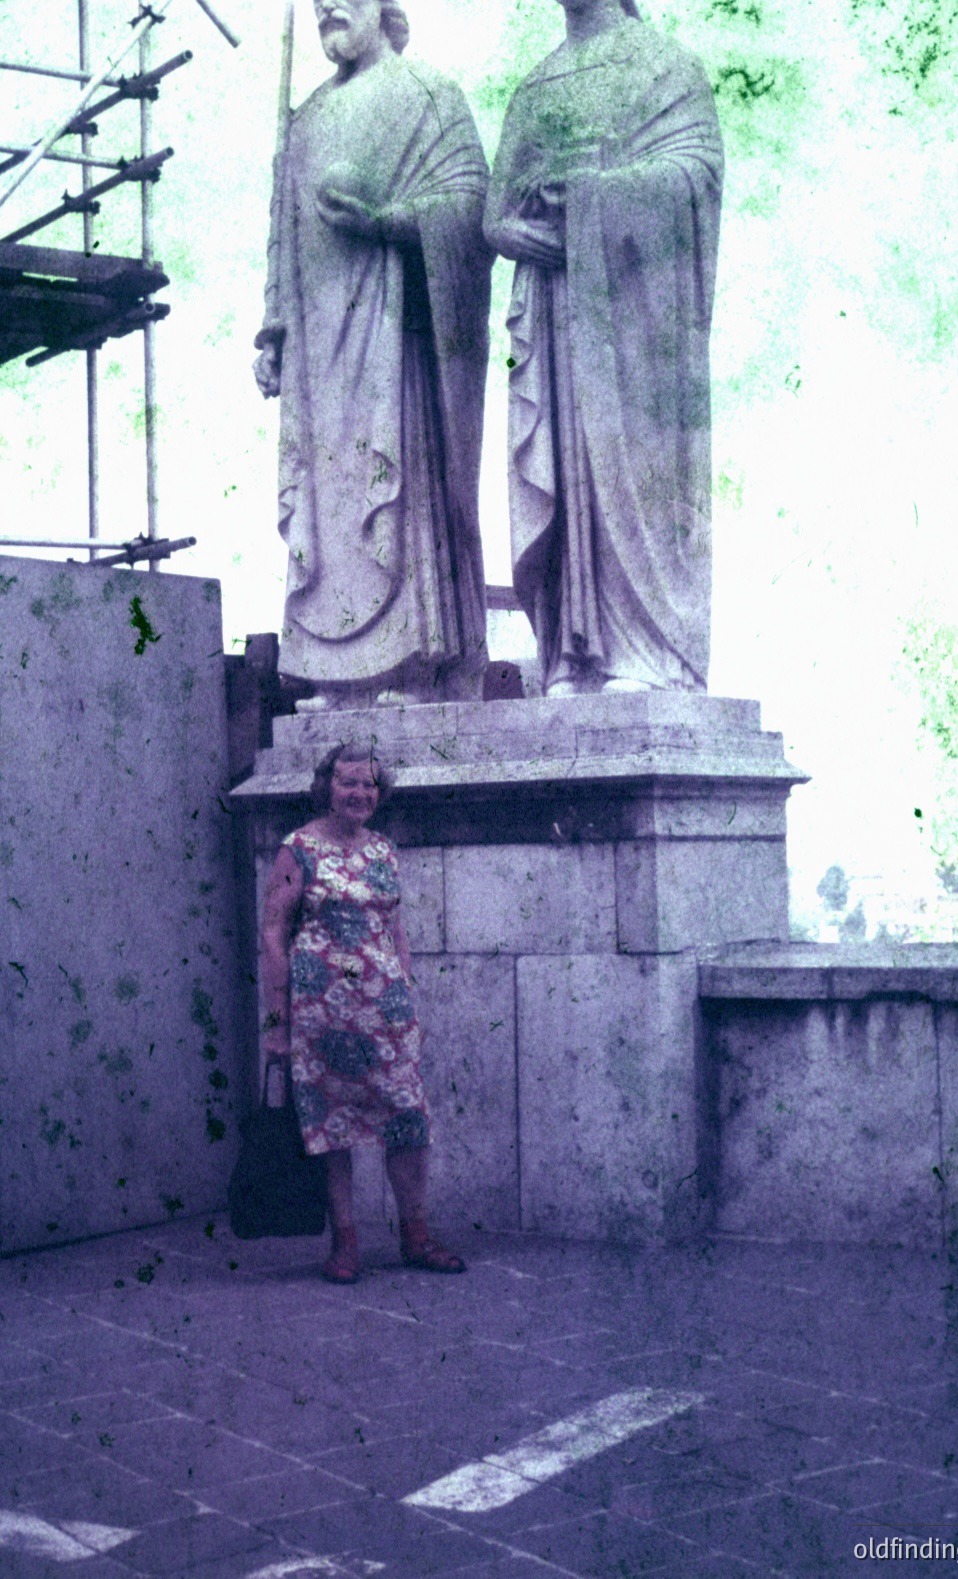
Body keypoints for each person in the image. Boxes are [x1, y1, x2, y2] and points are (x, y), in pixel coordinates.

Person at [254, 0, 492, 707]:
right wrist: (272, 328)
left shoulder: (428, 98)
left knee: (395, 489)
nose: (328, 5)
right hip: (315, 355)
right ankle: (338, 673)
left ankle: (413, 667)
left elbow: (469, 209)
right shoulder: (303, 122)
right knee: (328, 501)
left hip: (395, 340)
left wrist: (390, 224)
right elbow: (283, 236)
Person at [483, 0, 724, 697]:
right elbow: (495, 216)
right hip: (556, 310)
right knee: (565, 467)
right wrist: (529, 231)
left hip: (637, 324)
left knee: (633, 475)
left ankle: (647, 656)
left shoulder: (666, 66)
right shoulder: (537, 85)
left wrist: (590, 196)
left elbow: (695, 177)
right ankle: (573, 654)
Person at [259, 743, 464, 1281]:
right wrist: (276, 1026)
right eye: (349, 783)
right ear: (327, 785)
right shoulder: (297, 849)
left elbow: (392, 925)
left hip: (386, 1012)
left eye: (369, 785)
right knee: (333, 1127)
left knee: (408, 1118)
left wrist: (404, 985)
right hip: (320, 1013)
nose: (359, 793)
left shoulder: (382, 850)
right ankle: (345, 1243)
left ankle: (415, 1235)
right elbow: (273, 931)